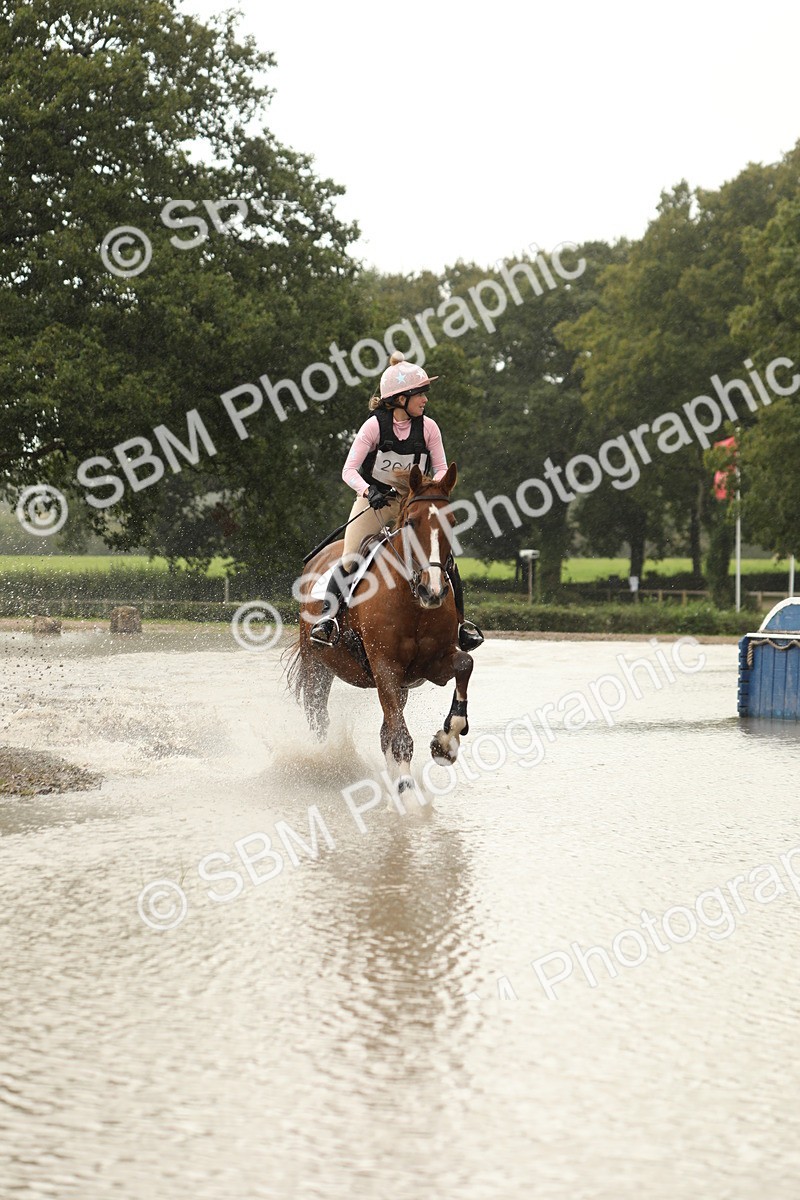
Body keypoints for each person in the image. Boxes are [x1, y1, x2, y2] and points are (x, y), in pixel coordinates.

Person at [309, 351, 484, 650]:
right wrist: (368, 491)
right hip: (376, 502)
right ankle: (328, 619)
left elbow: (441, 467)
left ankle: (460, 626)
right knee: (351, 558)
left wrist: (434, 488)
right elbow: (348, 470)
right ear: (400, 398)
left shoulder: (429, 427)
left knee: (445, 561)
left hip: (414, 501)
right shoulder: (374, 427)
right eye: (420, 394)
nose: (425, 400)